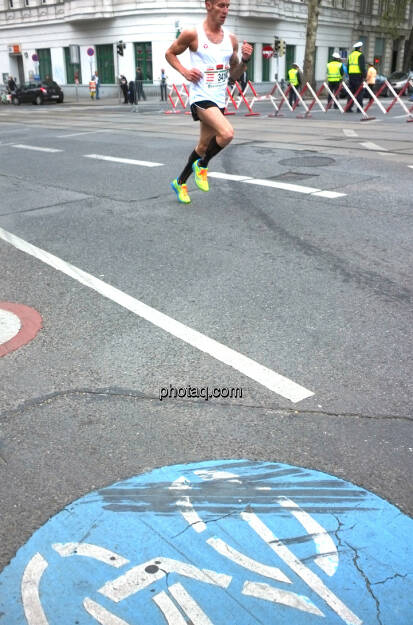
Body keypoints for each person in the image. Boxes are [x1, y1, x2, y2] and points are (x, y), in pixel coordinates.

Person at [165, 0, 253, 204]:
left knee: (203, 145)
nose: (225, 10)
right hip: (200, 98)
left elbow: (234, 76)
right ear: (208, 5)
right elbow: (170, 53)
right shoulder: (193, 34)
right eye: (221, 5)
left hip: (218, 100)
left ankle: (180, 182)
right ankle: (202, 166)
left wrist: (245, 61)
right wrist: (185, 71)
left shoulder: (231, 40)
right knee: (227, 133)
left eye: (228, 6)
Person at [346, 42, 366, 112]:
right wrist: (364, 76)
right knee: (360, 92)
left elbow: (348, 66)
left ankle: (348, 107)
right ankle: (359, 108)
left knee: (351, 92)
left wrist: (349, 75)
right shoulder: (360, 55)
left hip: (351, 76)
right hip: (358, 76)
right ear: (360, 48)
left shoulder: (351, 55)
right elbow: (362, 67)